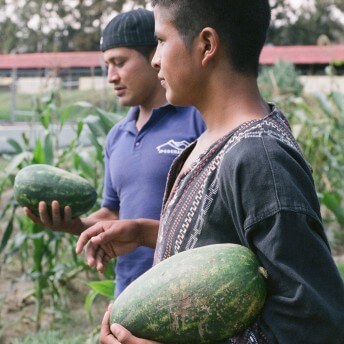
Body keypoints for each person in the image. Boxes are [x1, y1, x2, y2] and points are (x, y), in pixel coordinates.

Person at [76, 1, 344, 343]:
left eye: (161, 40)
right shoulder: (208, 143)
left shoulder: (260, 158)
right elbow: (222, 246)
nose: (156, 58)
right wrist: (145, 232)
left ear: (206, 45)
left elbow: (315, 324)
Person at [24, 8, 205, 297]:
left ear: (154, 58)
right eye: (107, 64)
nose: (111, 76)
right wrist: (76, 226)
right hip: (128, 293)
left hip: (185, 292)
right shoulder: (116, 136)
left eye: (119, 62)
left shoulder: (197, 120)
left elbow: (214, 224)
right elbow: (114, 212)